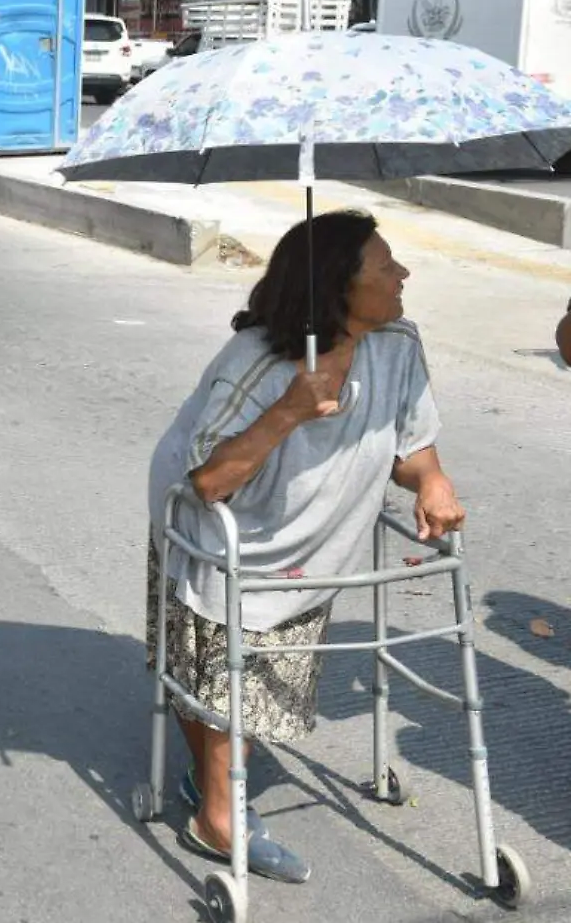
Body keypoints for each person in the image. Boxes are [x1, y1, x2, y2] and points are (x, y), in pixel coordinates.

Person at [147, 210, 464, 885]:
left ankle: (209, 784)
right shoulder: (256, 363)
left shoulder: (399, 345)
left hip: (315, 533)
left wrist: (431, 480)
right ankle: (216, 817)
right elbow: (209, 482)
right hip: (225, 521)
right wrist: (289, 409)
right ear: (337, 289)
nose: (402, 274)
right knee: (211, 657)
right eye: (385, 267)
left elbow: (413, 444)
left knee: (252, 682)